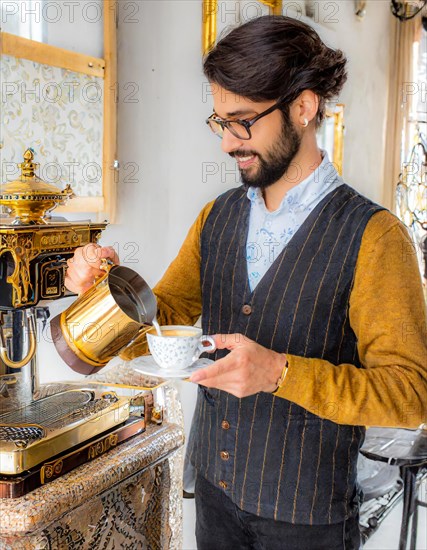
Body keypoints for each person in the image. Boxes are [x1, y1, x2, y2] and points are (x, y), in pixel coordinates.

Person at [65, 15, 427, 550]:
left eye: (244, 121)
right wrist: (106, 292)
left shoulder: (376, 237)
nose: (228, 142)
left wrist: (280, 372)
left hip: (309, 517)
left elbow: (410, 393)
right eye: (221, 121)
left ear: (303, 108)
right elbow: (164, 325)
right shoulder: (215, 218)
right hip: (215, 496)